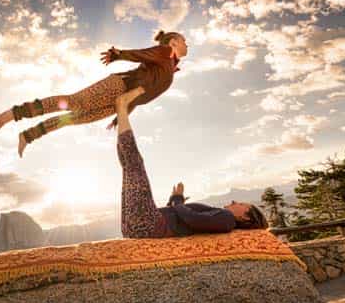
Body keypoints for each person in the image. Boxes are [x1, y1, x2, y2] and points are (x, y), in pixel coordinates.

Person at [0, 30, 188, 157]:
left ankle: (28, 136)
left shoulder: (170, 67)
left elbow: (141, 95)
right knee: (73, 102)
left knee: (72, 119)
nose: (187, 44)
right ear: (173, 43)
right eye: (184, 41)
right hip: (118, 86)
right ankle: (16, 113)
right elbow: (143, 53)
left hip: (119, 103)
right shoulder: (165, 52)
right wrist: (119, 54)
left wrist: (121, 116)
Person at [115, 86, 268, 238]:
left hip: (147, 224)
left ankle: (122, 107)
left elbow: (192, 219)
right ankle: (121, 111)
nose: (236, 201)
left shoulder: (226, 219)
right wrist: (176, 199)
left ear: (245, 217)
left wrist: (178, 201)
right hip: (138, 225)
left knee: (134, 165)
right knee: (130, 166)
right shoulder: (222, 219)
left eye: (242, 205)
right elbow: (186, 219)